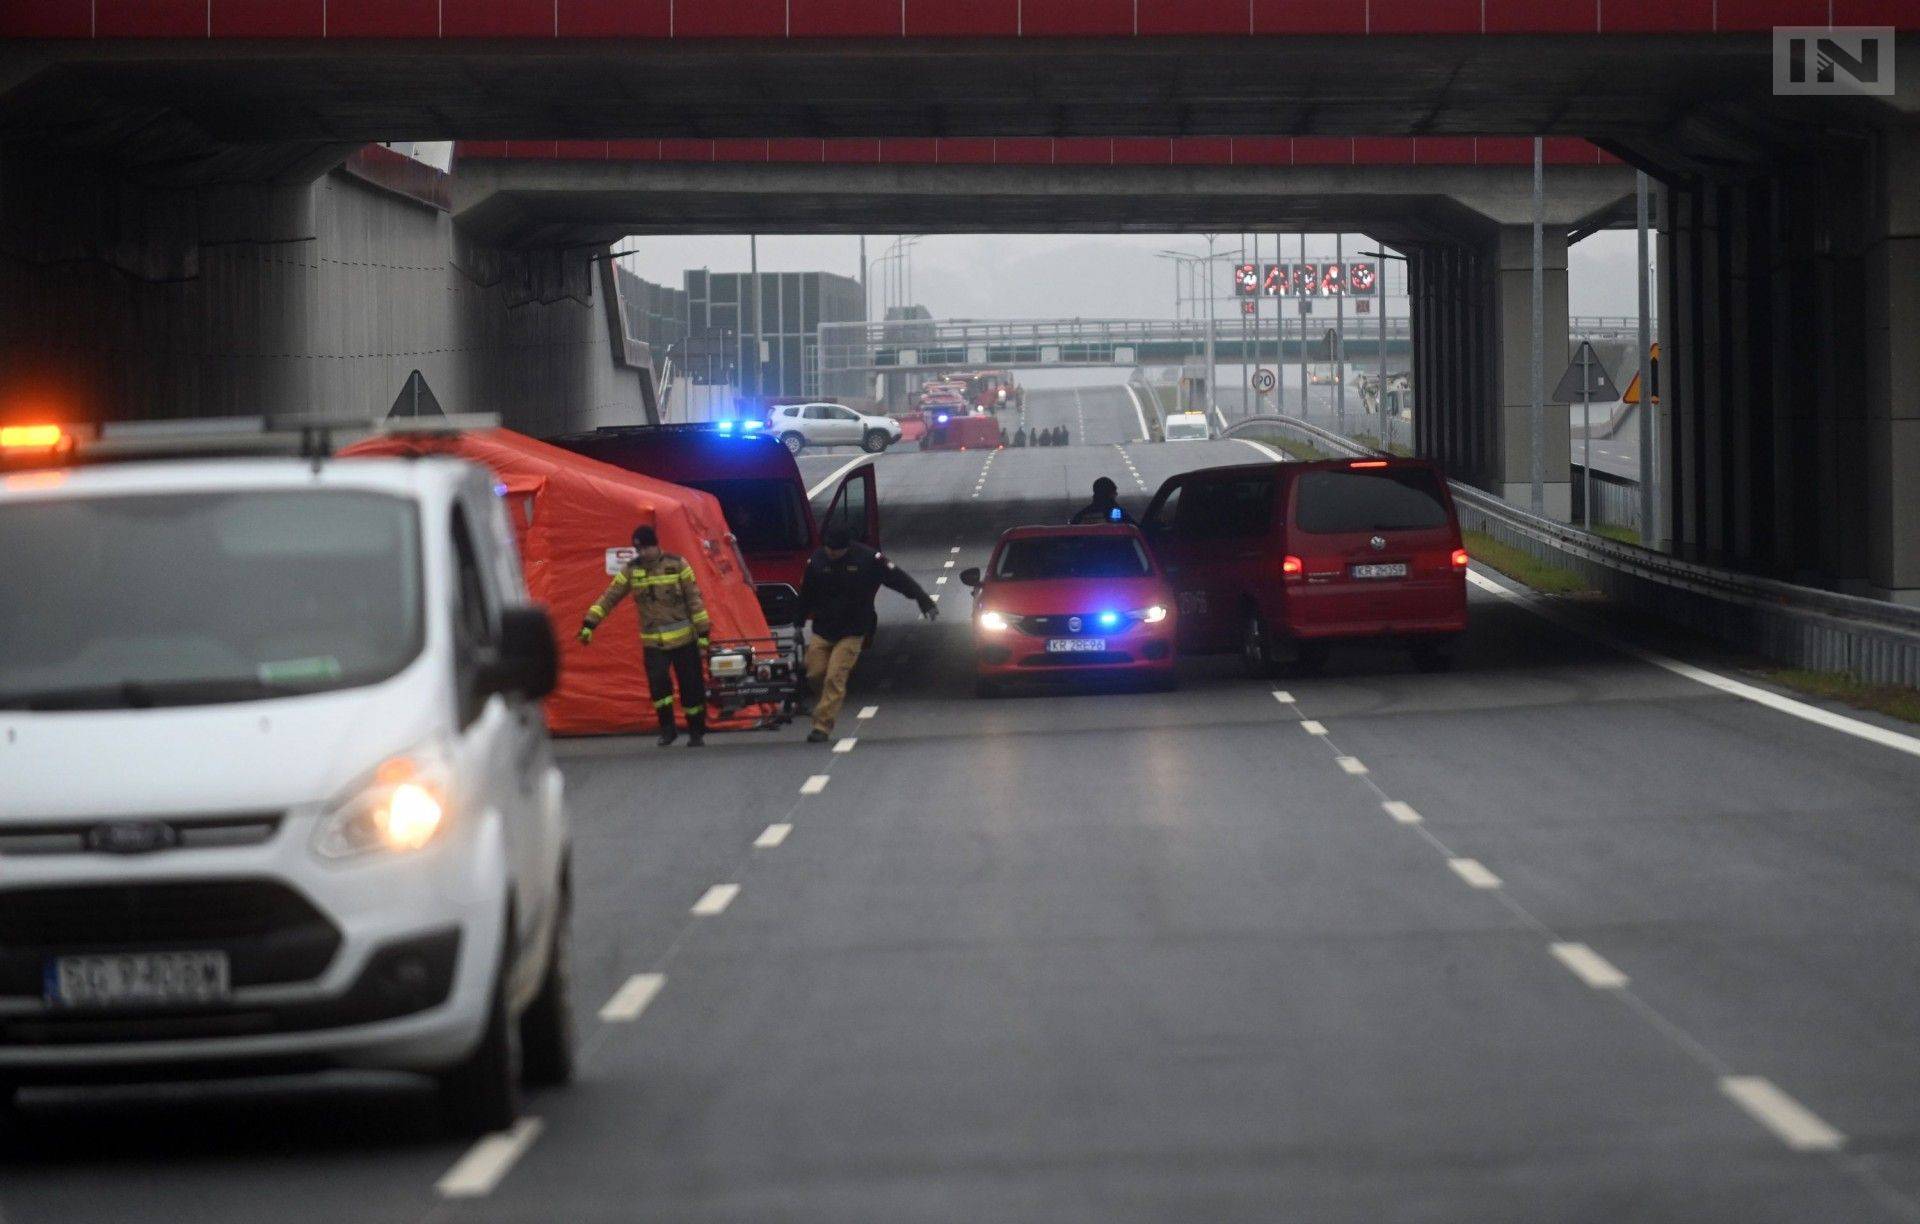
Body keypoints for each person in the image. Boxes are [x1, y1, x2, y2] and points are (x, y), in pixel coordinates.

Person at [797, 523, 937, 743]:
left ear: (847, 547)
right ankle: (826, 703)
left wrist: (923, 599)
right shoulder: (817, 561)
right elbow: (806, 594)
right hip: (823, 629)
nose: (831, 554)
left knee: (835, 676)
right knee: (814, 673)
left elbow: (898, 579)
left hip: (853, 629)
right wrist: (797, 623)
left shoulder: (868, 559)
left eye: (836, 550)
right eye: (828, 549)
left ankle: (821, 726)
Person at [577, 524, 712, 747]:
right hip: (653, 643)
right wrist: (589, 624)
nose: (643, 554)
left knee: (691, 686)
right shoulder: (632, 570)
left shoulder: (677, 565)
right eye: (639, 550)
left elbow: (695, 601)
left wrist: (704, 635)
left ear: (655, 545)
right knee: (659, 687)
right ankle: (668, 730)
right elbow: (609, 597)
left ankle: (696, 731)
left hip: (684, 640)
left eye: (646, 549)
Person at [1071, 476, 1136, 525]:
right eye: (1114, 492)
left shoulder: (1082, 515)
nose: (1116, 495)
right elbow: (1134, 529)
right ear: (1110, 494)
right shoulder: (1120, 514)